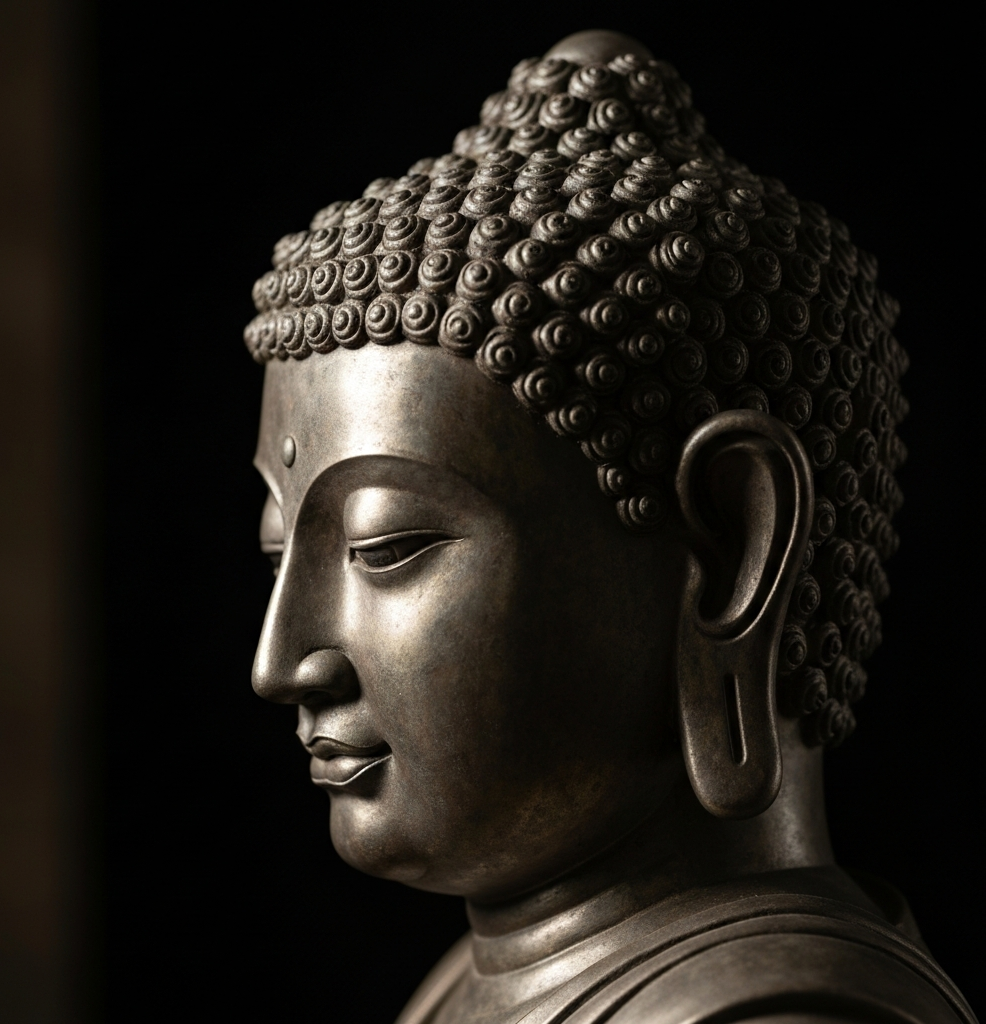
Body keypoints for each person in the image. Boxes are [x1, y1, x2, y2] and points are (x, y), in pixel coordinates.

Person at [242, 29, 974, 1024]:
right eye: (278, 552)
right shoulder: (468, 983)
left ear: (733, 551)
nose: (280, 663)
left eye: (384, 546)